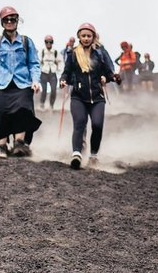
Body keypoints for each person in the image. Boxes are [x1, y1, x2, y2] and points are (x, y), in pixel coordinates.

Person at [0, 6, 41, 157]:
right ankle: (2, 146)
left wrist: (35, 80)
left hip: (22, 83)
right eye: (6, 20)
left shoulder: (26, 41)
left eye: (12, 19)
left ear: (17, 21)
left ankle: (19, 144)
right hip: (1, 85)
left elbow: (34, 64)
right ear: (2, 22)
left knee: (23, 110)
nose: (10, 22)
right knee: (2, 113)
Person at [60, 22, 118, 169]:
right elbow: (66, 72)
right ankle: (77, 154)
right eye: (83, 35)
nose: (86, 38)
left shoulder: (99, 53)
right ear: (79, 36)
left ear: (93, 37)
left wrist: (114, 77)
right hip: (78, 96)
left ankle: (93, 156)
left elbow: (108, 71)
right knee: (79, 123)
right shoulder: (73, 54)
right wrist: (63, 80)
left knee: (97, 125)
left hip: (97, 97)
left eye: (89, 36)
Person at [38, 34, 62, 109]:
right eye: (47, 42)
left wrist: (59, 72)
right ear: (45, 42)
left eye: (50, 42)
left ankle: (51, 104)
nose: (48, 43)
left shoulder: (55, 52)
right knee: (44, 90)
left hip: (53, 73)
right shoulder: (41, 52)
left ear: (52, 42)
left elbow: (60, 62)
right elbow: (37, 62)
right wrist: (39, 72)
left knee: (54, 90)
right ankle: (42, 103)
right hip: (44, 72)